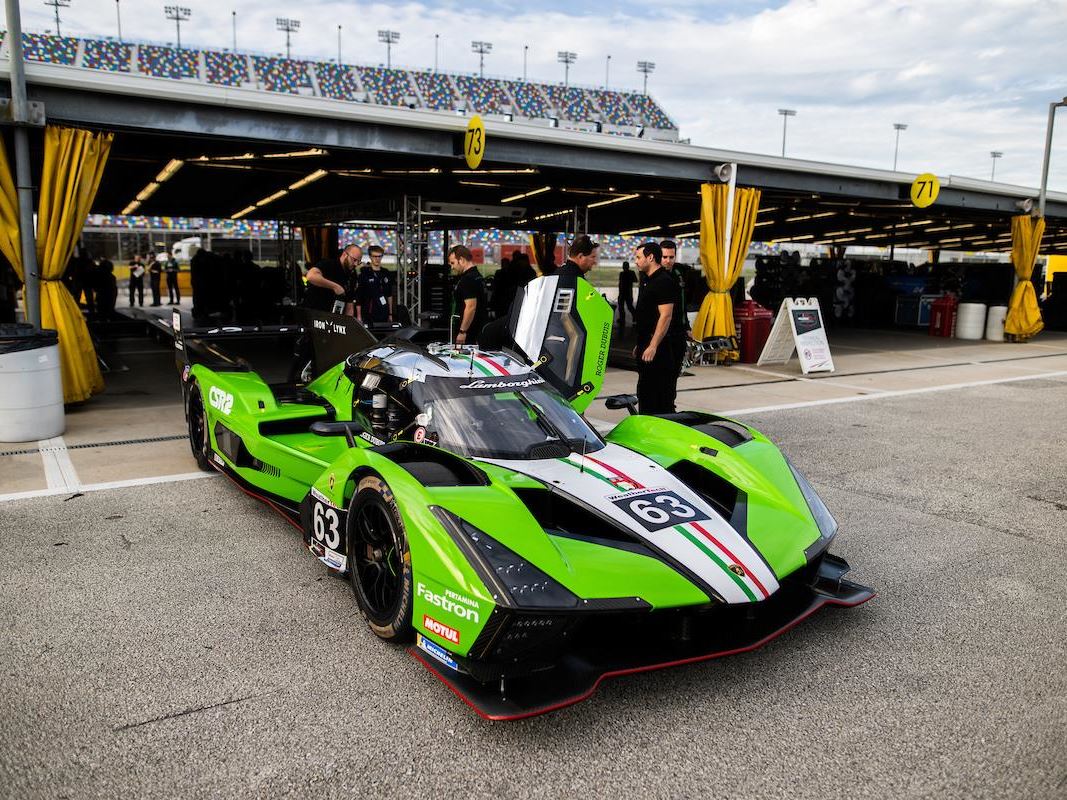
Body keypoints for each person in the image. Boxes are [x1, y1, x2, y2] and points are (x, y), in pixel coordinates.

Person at [287, 243, 362, 383]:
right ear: (345, 254)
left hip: (331, 325)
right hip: (312, 319)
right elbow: (311, 276)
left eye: (359, 261)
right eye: (354, 260)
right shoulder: (328, 264)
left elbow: (350, 305)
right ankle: (293, 385)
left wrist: (351, 328)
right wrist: (335, 286)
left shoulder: (352, 276)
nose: (356, 264)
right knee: (303, 358)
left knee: (324, 364)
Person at [633, 241, 675, 415]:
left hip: (658, 350)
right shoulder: (647, 280)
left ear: (650, 257)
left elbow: (665, 316)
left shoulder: (663, 281)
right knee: (644, 392)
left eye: (638, 257)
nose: (635, 261)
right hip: (646, 344)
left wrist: (653, 345)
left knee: (656, 396)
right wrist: (641, 343)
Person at [661, 239, 690, 410]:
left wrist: (687, 327)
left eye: (671, 257)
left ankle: (670, 404)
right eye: (665, 257)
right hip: (663, 331)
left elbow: (682, 303)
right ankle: (662, 405)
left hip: (678, 331)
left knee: (675, 371)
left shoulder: (679, 273)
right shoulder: (654, 275)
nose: (668, 261)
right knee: (663, 371)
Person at [448, 244, 486, 345]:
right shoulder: (478, 276)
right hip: (477, 328)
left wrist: (462, 331)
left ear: (461, 260)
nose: (452, 267)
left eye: (453, 263)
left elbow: (471, 307)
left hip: (469, 333)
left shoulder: (468, 279)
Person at [355, 244, 394, 324]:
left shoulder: (386, 272)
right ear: (370, 256)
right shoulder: (364, 273)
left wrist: (390, 314)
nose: (377, 259)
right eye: (374, 256)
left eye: (379, 256)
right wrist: (359, 316)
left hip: (384, 312)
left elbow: (389, 295)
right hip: (368, 313)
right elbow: (359, 296)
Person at [617, 260, 636, 326]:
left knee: (622, 306)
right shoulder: (631, 273)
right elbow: (635, 280)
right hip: (628, 292)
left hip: (623, 293)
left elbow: (620, 284)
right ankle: (635, 317)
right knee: (629, 306)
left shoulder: (622, 274)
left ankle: (622, 319)